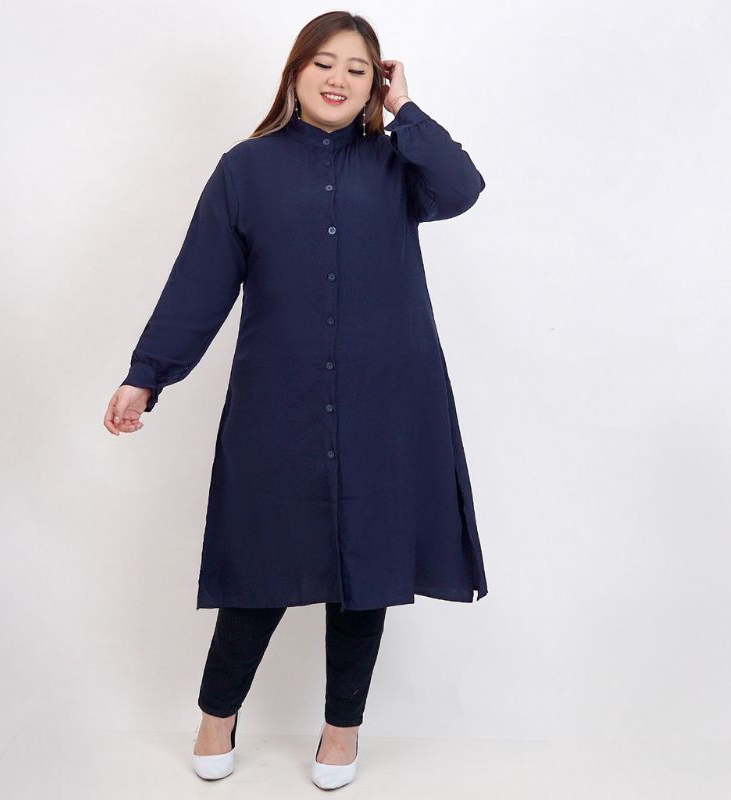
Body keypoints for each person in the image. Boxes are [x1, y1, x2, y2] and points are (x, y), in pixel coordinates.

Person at [103, 11, 488, 790]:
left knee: (366, 571)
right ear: (295, 72)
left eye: (358, 68)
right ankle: (217, 716)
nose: (338, 78)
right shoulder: (245, 170)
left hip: (384, 401)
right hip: (279, 401)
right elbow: (200, 282)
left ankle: (341, 731)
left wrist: (406, 109)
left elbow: (462, 188)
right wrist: (148, 373)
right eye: (324, 62)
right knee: (259, 561)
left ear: (375, 82)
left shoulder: (400, 164)